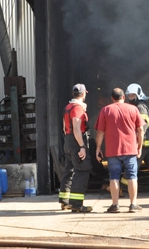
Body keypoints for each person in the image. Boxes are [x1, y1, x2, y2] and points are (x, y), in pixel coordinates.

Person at [95, 88, 145, 213]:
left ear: (112, 98)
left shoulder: (106, 110)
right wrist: (139, 147)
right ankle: (133, 205)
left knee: (114, 177)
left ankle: (115, 205)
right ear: (124, 97)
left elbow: (100, 132)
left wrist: (98, 148)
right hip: (130, 149)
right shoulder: (133, 109)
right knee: (132, 177)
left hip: (112, 151)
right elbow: (140, 130)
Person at [58, 84, 93, 213]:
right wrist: (82, 146)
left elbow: (64, 127)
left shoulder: (67, 107)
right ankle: (77, 204)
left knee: (69, 169)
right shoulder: (78, 108)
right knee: (82, 170)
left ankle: (64, 201)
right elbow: (77, 129)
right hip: (76, 140)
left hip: (67, 140)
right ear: (83, 94)